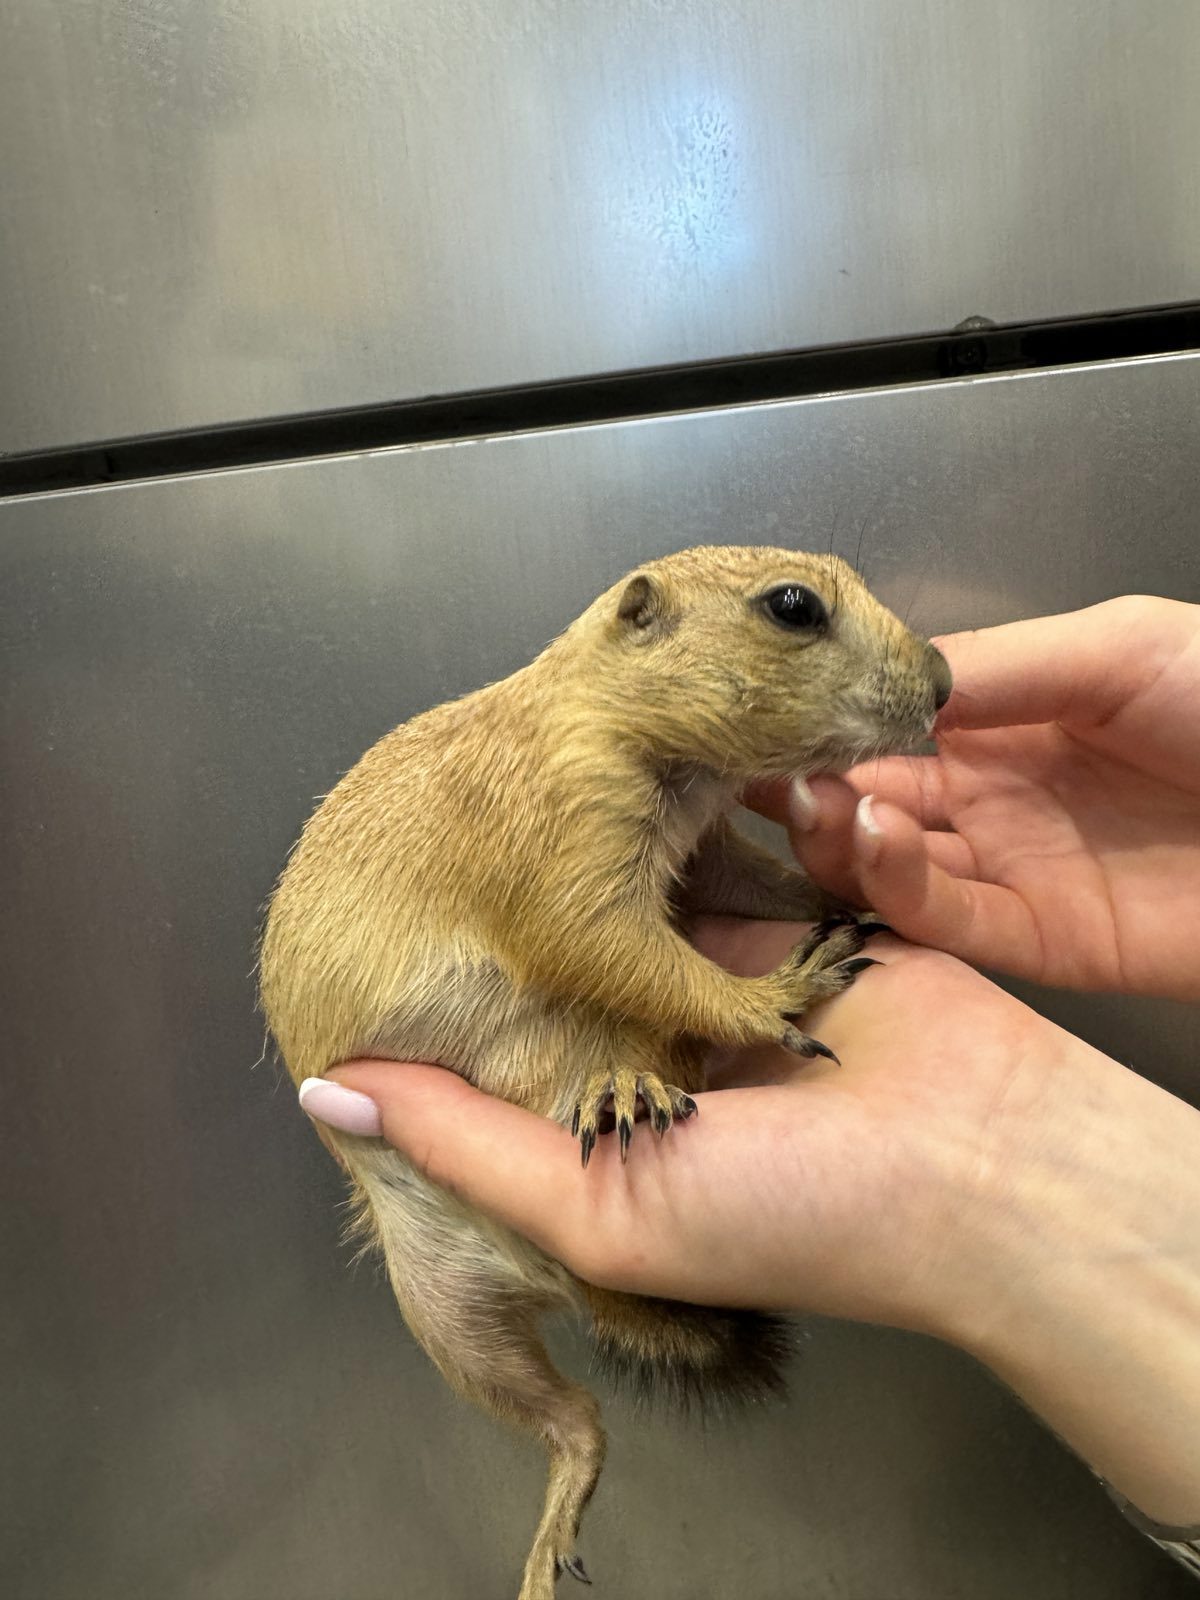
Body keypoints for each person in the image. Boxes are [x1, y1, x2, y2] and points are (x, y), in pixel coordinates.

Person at [298, 594, 1200, 1576]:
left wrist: (827, 914)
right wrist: (753, 1001)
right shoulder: (566, 756)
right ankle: (569, 1437)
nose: (925, 682)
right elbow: (575, 936)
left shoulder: (689, 777)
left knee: (629, 1044)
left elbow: (709, 888)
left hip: (556, 1050)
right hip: (427, 1029)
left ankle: (573, 1420)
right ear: (645, 625)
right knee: (439, 1274)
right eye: (797, 614)